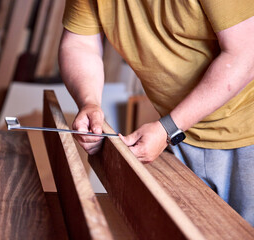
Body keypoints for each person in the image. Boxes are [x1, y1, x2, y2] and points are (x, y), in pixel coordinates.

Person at [58, 0, 254, 226]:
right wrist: (89, 102)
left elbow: (246, 55)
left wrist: (169, 128)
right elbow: (80, 44)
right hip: (184, 130)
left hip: (246, 128)